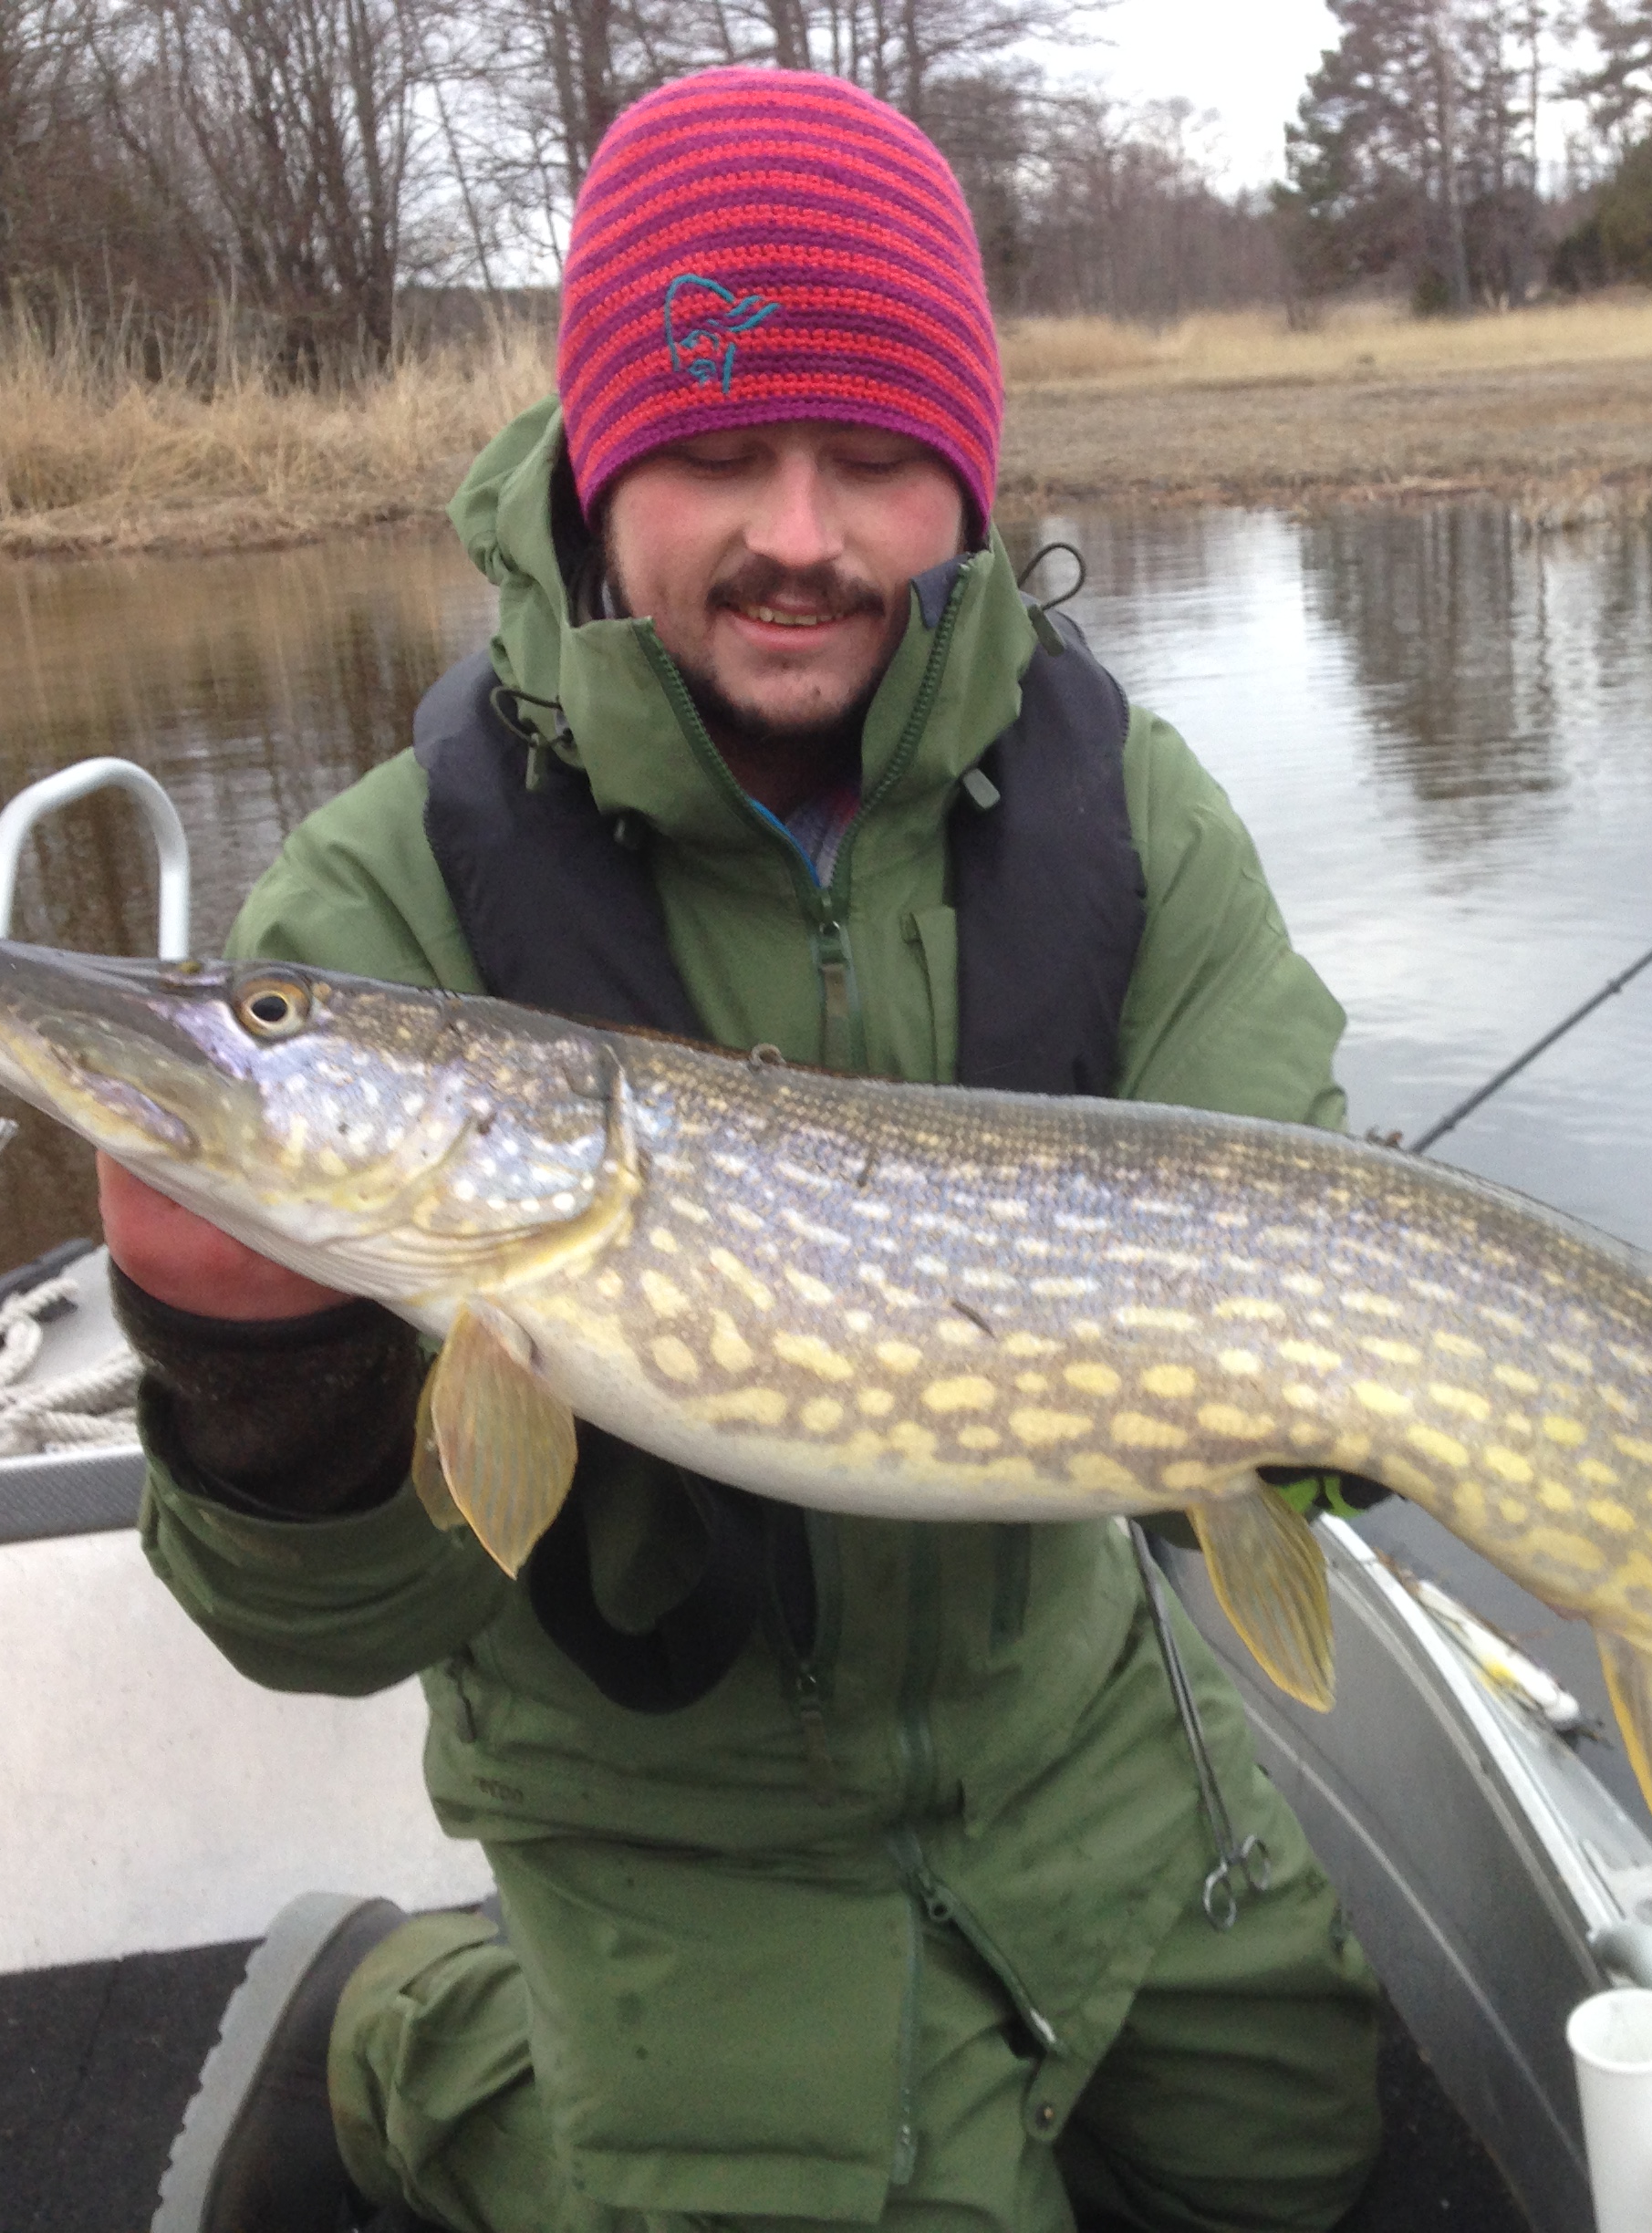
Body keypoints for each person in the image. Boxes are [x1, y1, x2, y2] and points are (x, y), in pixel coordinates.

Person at [114, 65, 1384, 2233]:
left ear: (964, 487)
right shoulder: (384, 902)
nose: (799, 533)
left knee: (1303, 2173)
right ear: (600, 464)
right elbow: (322, 1631)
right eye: (714, 451)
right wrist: (260, 1393)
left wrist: (1388, 1419)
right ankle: (423, 2037)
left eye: (875, 459)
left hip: (1075, 1738)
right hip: (677, 1821)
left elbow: (1289, 1231)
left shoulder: (1127, 816)